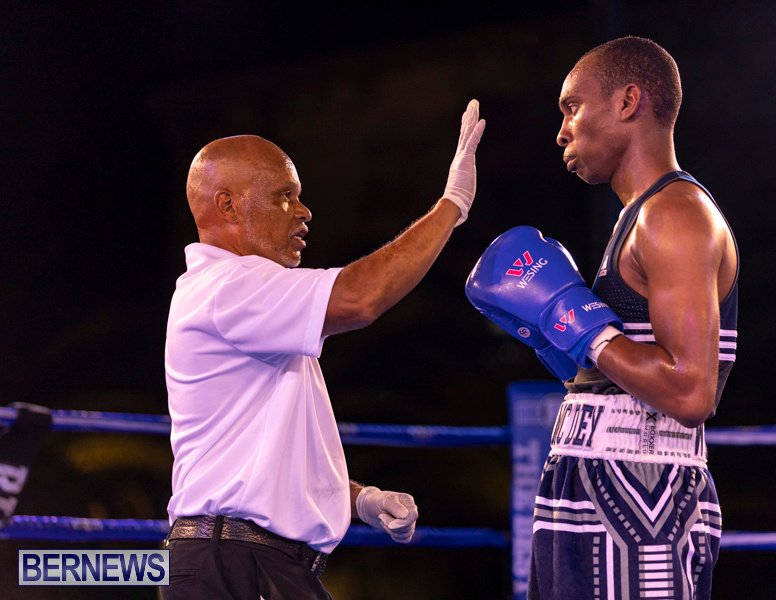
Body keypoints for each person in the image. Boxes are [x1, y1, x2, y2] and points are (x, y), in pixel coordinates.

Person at [161, 100, 485, 599]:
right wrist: (451, 206)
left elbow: (266, 459)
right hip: (233, 562)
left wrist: (359, 499)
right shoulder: (228, 287)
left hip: (243, 560)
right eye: (284, 196)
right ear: (227, 206)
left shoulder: (252, 307)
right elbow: (361, 297)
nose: (304, 211)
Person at [466, 37, 737, 599]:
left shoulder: (675, 215)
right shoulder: (638, 218)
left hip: (641, 493)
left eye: (572, 107)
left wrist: (579, 324)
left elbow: (691, 392)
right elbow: (621, 369)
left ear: (627, 101)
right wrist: (557, 339)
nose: (562, 131)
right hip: (594, 480)